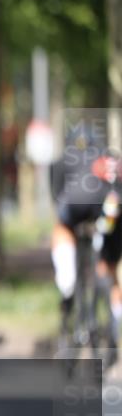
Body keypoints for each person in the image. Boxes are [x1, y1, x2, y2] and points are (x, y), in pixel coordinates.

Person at [50, 140, 122, 367]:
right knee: (68, 277)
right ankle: (68, 309)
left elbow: (112, 232)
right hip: (74, 218)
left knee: (108, 275)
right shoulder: (77, 194)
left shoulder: (115, 194)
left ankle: (112, 328)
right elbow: (63, 221)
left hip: (108, 222)